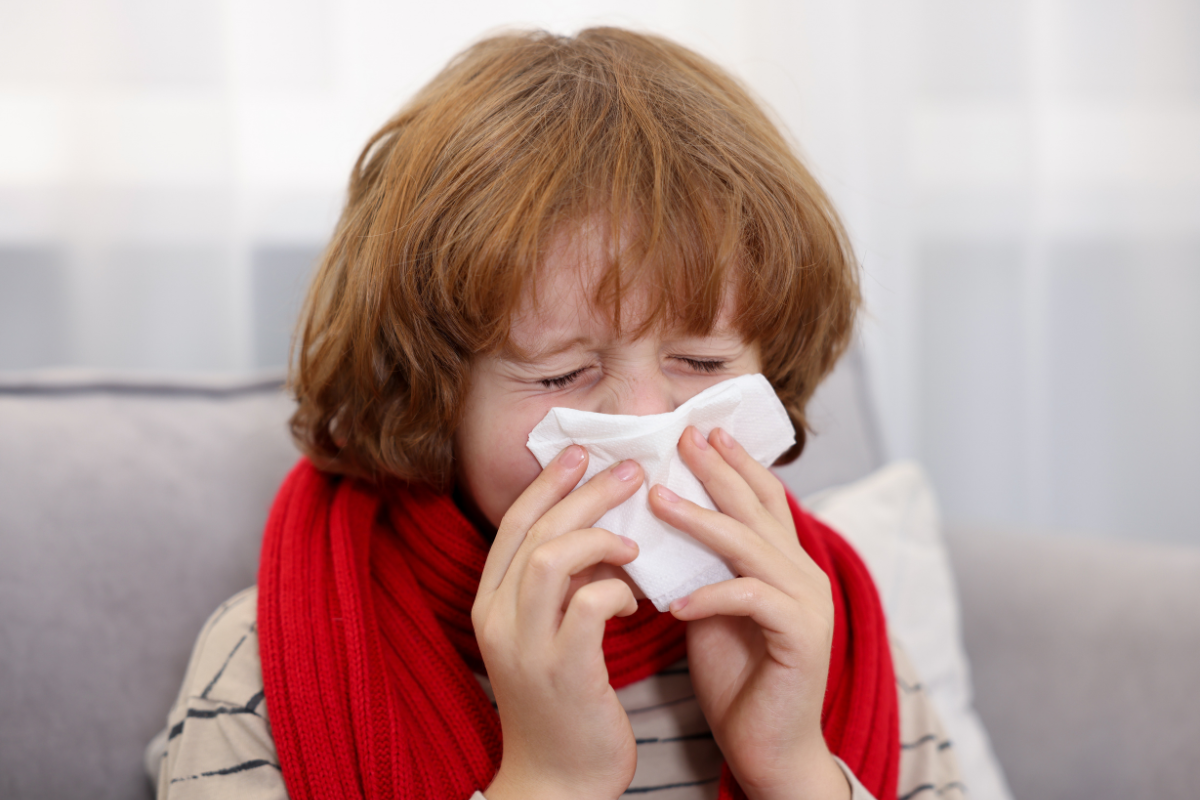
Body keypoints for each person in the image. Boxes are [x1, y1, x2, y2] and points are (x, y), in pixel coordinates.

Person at [146, 27, 963, 800]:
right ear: (432, 400)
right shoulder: (266, 665)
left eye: (704, 364)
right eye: (562, 374)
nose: (646, 423)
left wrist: (793, 767)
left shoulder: (836, 636)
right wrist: (547, 782)